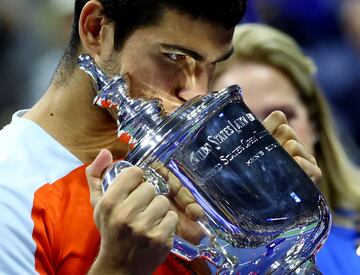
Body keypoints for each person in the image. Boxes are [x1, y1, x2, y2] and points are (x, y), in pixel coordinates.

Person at [0, 1, 322, 274]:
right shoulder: (11, 190)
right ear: (97, 29)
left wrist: (277, 233)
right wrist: (118, 268)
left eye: (213, 65)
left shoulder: (205, 161)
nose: (197, 91)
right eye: (175, 58)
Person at [212, 23, 360, 274]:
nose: (265, 140)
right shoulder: (199, 261)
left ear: (315, 123)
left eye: (282, 116)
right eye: (242, 125)